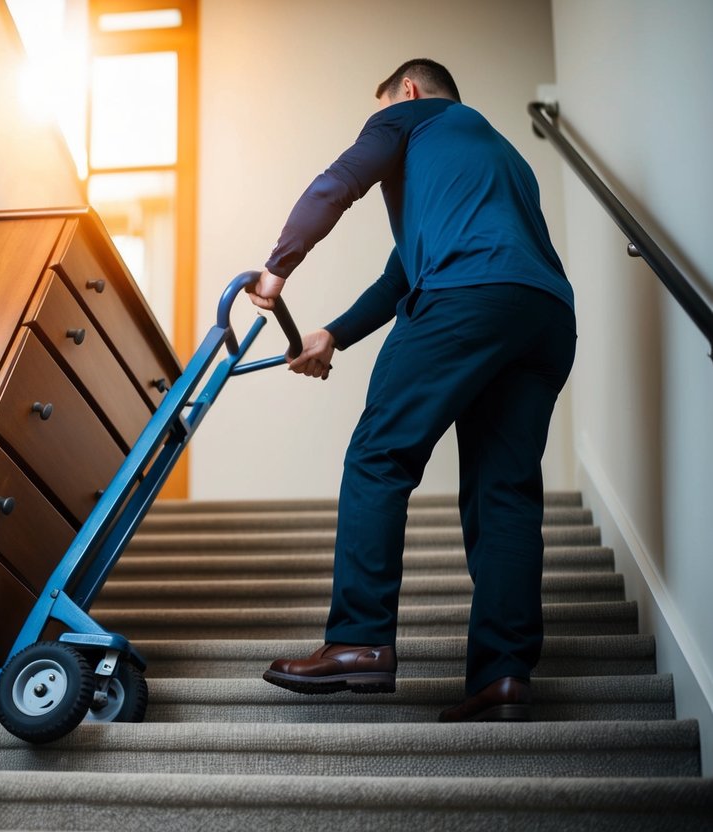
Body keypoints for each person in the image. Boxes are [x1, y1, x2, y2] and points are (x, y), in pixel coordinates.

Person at [247, 59, 576, 722]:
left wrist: (275, 270)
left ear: (407, 91)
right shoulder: (498, 160)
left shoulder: (408, 117)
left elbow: (336, 182)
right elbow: (401, 274)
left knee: (379, 455)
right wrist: (333, 334)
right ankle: (502, 675)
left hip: (465, 297)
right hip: (544, 315)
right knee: (503, 492)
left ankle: (359, 640)